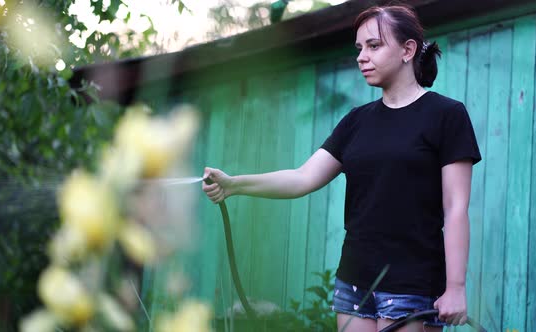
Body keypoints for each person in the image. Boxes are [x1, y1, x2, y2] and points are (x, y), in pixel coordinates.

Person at [202, 4, 481, 332]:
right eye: (359, 48)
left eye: (374, 46)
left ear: (407, 50)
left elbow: (456, 207)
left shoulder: (446, 115)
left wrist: (456, 288)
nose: (362, 56)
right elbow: (302, 178)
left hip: (413, 283)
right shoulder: (356, 122)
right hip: (353, 280)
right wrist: (234, 184)